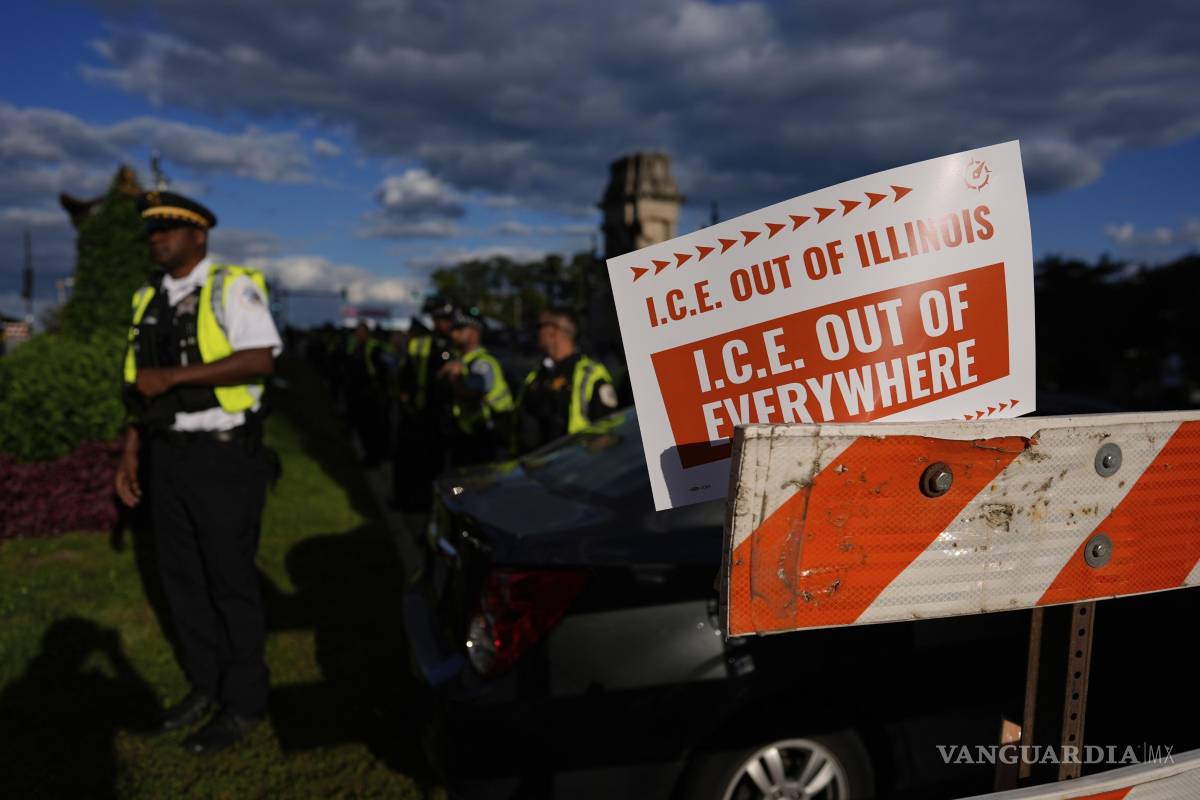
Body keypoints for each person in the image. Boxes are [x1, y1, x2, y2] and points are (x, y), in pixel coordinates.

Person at [113, 190, 281, 755]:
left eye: (168, 229)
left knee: (229, 580)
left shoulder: (230, 286)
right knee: (182, 579)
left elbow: (261, 358)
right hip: (168, 453)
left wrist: (174, 380)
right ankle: (205, 687)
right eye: (152, 231)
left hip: (223, 455)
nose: (156, 238)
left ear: (198, 236)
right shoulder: (147, 299)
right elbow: (140, 388)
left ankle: (245, 700)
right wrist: (132, 451)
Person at [514, 307, 619, 454]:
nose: (537, 332)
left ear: (555, 331)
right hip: (536, 466)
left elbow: (608, 429)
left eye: (540, 327)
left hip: (576, 464)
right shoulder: (537, 375)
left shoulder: (590, 373)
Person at [392, 297, 457, 511]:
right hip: (415, 412)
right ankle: (405, 500)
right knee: (408, 460)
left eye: (448, 319)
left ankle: (427, 506)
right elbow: (405, 372)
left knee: (434, 465)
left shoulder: (454, 345)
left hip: (439, 414)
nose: (444, 324)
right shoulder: (420, 343)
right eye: (440, 319)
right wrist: (404, 397)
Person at [441, 307, 514, 466]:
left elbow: (471, 393)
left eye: (460, 329)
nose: (454, 333)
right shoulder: (462, 360)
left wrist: (454, 377)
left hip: (484, 436)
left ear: (475, 332)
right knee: (458, 485)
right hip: (465, 433)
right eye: (454, 329)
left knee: (473, 485)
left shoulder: (482, 363)